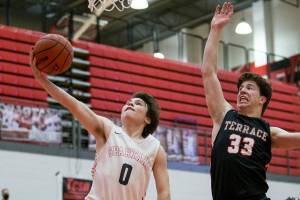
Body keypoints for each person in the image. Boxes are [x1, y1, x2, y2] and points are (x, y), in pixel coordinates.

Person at [30, 54, 170, 200]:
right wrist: (43, 81)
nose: (130, 104)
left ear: (148, 118)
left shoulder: (155, 149)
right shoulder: (108, 130)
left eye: (138, 103)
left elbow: (164, 192)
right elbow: (75, 106)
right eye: (128, 102)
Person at [201, 2, 300, 200]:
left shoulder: (268, 132)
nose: (242, 91)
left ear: (262, 99)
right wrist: (215, 29)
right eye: (240, 88)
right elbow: (208, 73)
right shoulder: (224, 115)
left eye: (249, 88)